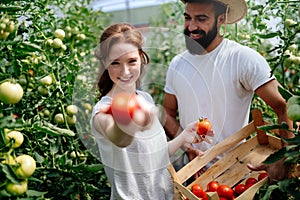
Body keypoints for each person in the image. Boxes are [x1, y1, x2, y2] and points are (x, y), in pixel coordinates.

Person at [162, 0, 294, 181]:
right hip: (193, 175)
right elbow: (167, 113)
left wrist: (283, 159)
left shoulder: (242, 59)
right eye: (187, 18)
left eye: (201, 19)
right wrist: (187, 146)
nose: (191, 26)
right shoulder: (177, 64)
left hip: (237, 173)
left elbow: (283, 106)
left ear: (221, 20)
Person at [90, 23, 209, 200]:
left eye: (132, 61)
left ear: (141, 58)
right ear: (105, 64)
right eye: (115, 63)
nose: (125, 71)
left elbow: (154, 156)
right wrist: (131, 124)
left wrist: (184, 136)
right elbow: (119, 138)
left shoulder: (145, 99)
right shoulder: (102, 112)